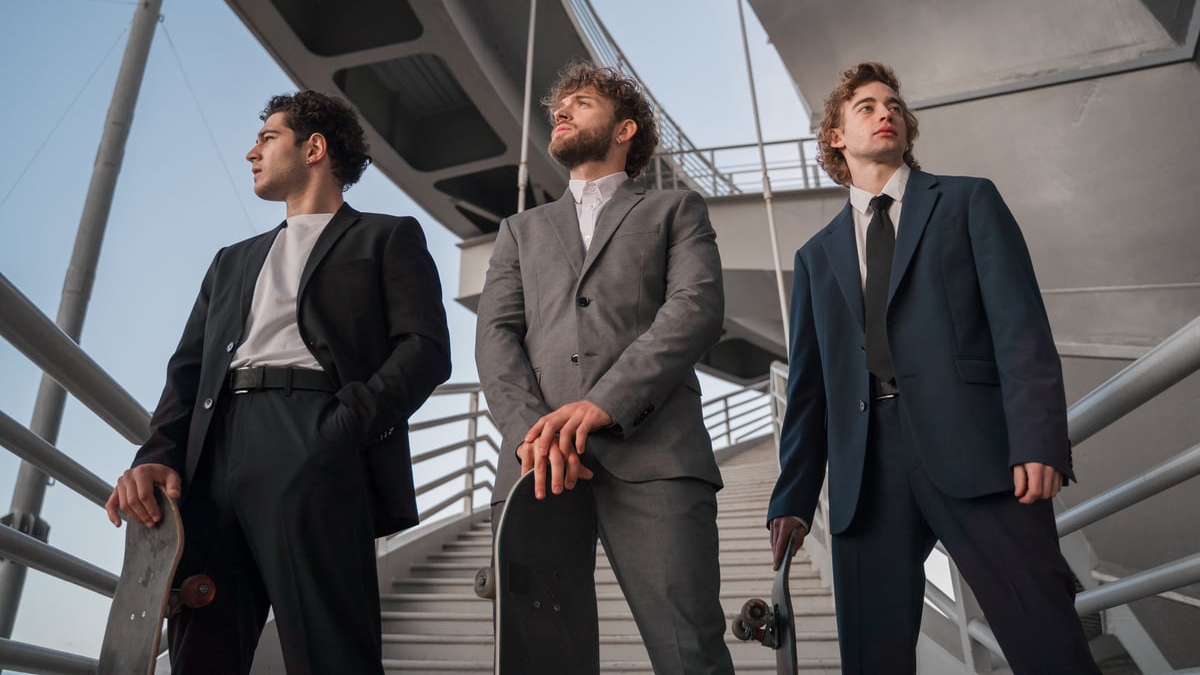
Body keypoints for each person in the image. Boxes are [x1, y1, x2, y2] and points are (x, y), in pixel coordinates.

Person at [767, 62, 1099, 673]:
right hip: (866, 472)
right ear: (836, 137)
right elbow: (810, 390)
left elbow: (1019, 327)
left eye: (892, 103)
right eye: (865, 106)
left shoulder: (969, 200)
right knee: (874, 657)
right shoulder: (815, 257)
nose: (885, 111)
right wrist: (792, 495)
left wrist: (1039, 439)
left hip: (981, 449)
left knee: (1045, 633)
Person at [105, 90, 451, 675]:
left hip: (312, 439)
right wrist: (158, 452)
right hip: (212, 457)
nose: (250, 152)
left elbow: (425, 350)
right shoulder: (231, 261)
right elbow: (187, 370)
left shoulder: (386, 237)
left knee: (331, 654)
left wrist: (342, 427)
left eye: (267, 138)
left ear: (313, 148)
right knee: (201, 651)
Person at [475, 61, 734, 674]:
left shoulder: (677, 210)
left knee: (688, 651)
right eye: (558, 105)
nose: (561, 111)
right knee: (538, 659)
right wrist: (531, 432)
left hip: (657, 457)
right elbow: (495, 335)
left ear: (625, 130)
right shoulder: (520, 229)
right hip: (535, 469)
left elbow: (695, 310)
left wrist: (606, 402)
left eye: (581, 102)